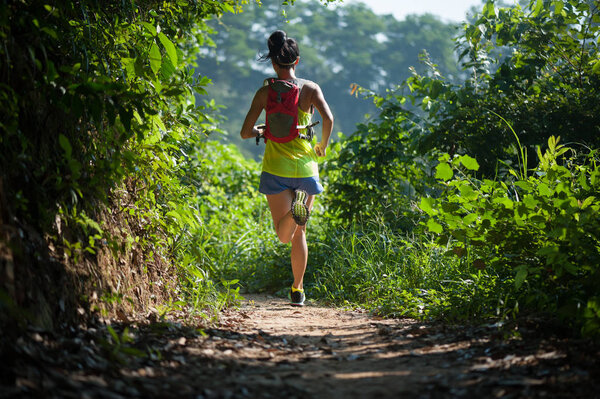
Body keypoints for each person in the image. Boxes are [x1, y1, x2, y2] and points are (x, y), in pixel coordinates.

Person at [240, 30, 334, 306]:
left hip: (276, 168)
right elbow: (328, 119)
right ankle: (298, 288)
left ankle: (294, 214)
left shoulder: (265, 92)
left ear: (272, 63)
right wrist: (323, 146)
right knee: (300, 233)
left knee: (284, 235)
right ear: (297, 61)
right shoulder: (311, 89)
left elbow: (245, 132)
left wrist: (265, 130)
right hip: (306, 168)